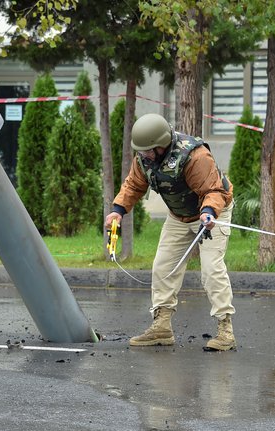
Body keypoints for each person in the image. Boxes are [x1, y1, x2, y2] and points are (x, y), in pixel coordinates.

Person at [105, 113, 236, 351]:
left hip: (212, 213)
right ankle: (162, 327)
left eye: (147, 150)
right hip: (179, 216)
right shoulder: (145, 158)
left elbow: (214, 190)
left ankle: (225, 330)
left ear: (161, 145)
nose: (142, 155)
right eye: (141, 151)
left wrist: (208, 211)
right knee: (163, 266)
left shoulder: (195, 156)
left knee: (211, 269)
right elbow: (134, 185)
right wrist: (118, 210)